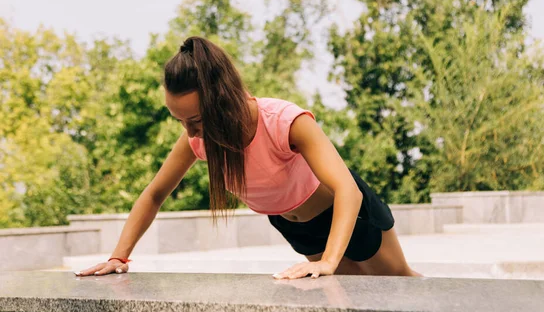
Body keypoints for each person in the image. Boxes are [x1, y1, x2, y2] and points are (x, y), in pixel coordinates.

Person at [76, 36, 420, 280]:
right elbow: (153, 195)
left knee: (399, 284)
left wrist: (330, 260)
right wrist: (119, 256)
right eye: (180, 121)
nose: (190, 133)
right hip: (297, 228)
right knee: (352, 300)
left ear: (221, 100)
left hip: (348, 214)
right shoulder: (199, 142)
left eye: (195, 120)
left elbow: (349, 190)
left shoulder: (285, 121)